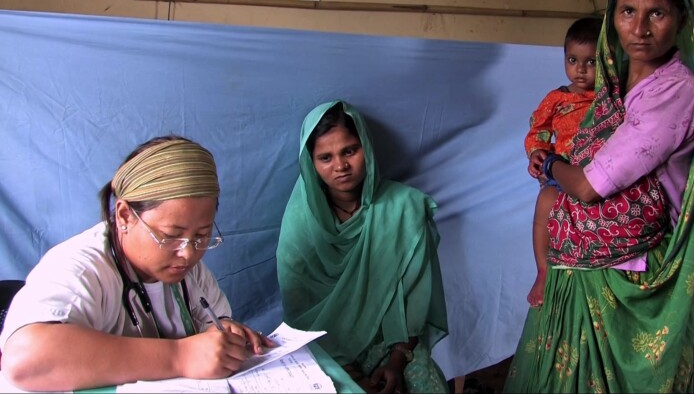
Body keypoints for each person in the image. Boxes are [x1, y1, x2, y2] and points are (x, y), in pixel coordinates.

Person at [505, 0, 694, 393]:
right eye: (627, 12)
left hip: (630, 272)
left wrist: (551, 165)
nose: (640, 29)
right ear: (612, 19)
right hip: (575, 266)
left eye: (657, 13)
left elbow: (586, 186)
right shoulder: (608, 84)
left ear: (680, 18)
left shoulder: (675, 91)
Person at [0, 136, 275, 391]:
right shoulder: (80, 269)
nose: (188, 254)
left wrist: (223, 334)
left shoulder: (191, 274)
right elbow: (24, 361)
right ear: (124, 216)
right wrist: (180, 356)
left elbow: (211, 324)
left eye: (201, 236)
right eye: (170, 236)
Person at [276, 100, 449, 394]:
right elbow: (300, 315)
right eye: (325, 158)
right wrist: (350, 375)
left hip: (393, 344)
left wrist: (396, 362)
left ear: (366, 147)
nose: (340, 166)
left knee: (423, 384)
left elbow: (415, 300)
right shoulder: (300, 223)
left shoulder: (404, 208)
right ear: (311, 163)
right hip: (323, 350)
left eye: (349, 151)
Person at [524, 16, 602, 308]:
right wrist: (536, 153)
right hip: (561, 170)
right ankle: (543, 271)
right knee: (545, 201)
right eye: (572, 60)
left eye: (591, 61)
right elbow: (538, 131)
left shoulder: (610, 98)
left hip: (598, 175)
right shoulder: (557, 98)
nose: (580, 69)